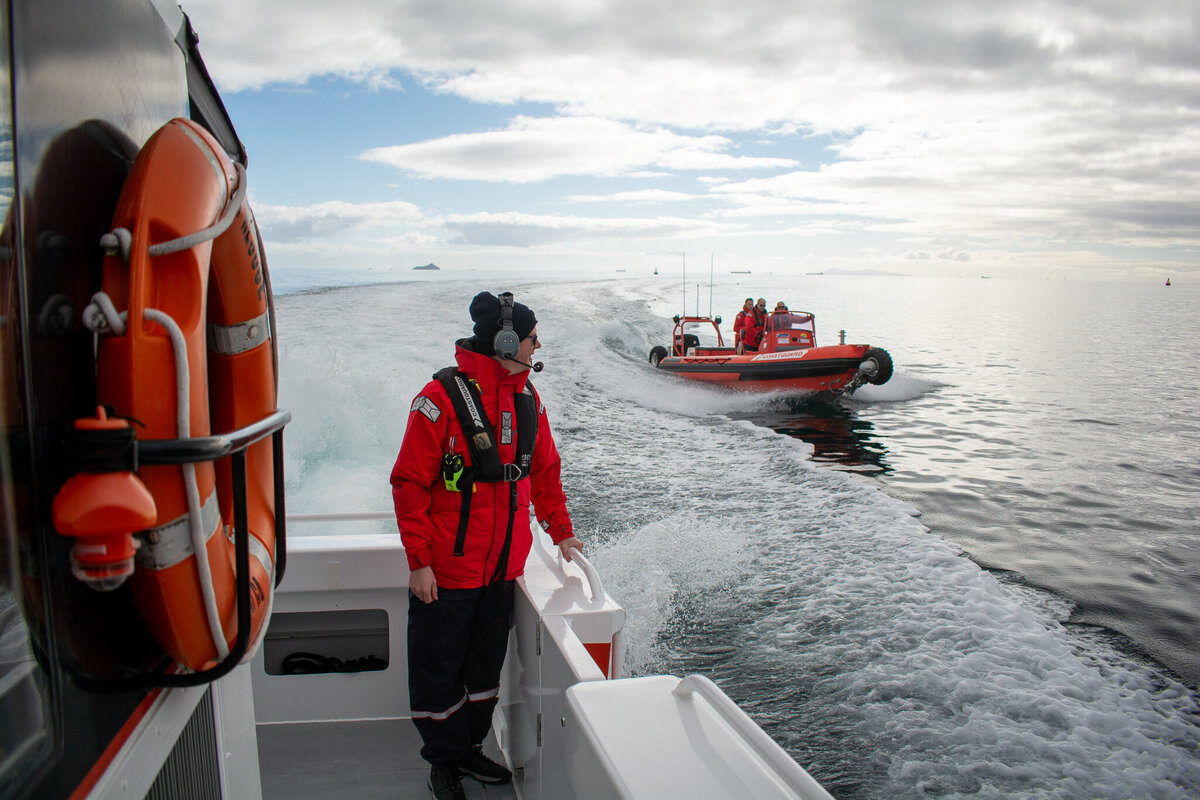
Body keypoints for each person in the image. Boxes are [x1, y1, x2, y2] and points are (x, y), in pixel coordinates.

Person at [390, 290, 582, 800]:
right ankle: (444, 763)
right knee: (439, 670)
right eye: (532, 337)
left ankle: (470, 748)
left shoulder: (527, 398)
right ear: (504, 341)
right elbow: (408, 482)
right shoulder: (438, 400)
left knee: (482, 670)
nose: (538, 344)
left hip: (501, 569)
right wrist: (419, 562)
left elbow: (544, 469)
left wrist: (560, 531)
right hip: (447, 572)